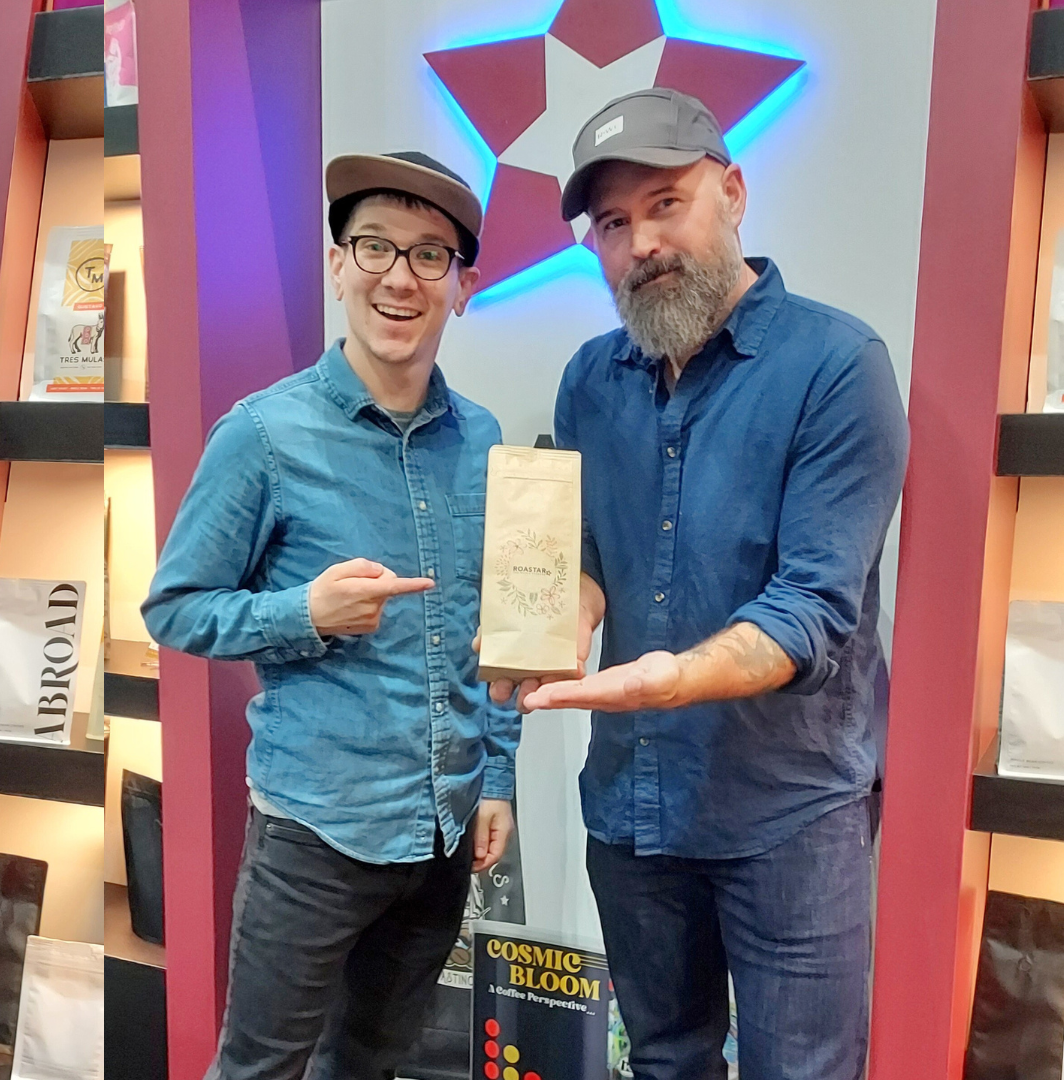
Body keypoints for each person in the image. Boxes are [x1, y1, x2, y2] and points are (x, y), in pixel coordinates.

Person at [494, 88, 908, 1078]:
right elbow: (589, 554)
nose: (641, 243)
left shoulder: (838, 366)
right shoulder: (590, 379)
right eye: (613, 224)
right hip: (634, 809)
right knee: (666, 1062)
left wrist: (665, 679)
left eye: (666, 203)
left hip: (792, 814)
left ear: (732, 191)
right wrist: (549, 612)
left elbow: (814, 610)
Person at [142, 151, 520, 1080]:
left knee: (372, 1066)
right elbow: (175, 609)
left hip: (442, 828)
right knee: (259, 1069)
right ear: (338, 265)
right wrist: (306, 612)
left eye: (432, 256)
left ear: (463, 287)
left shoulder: (486, 441)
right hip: (315, 833)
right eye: (376, 246)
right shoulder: (263, 434)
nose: (400, 276)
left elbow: (501, 635)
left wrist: (498, 774)